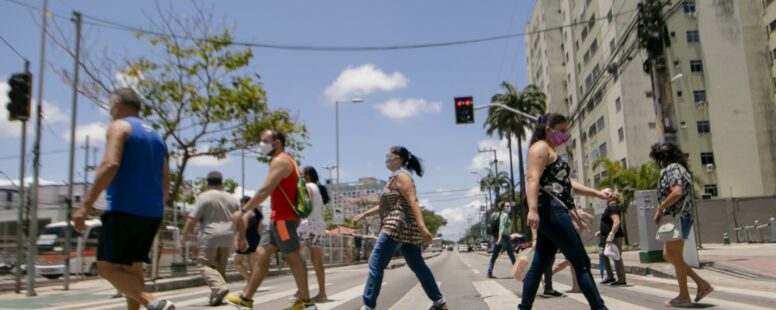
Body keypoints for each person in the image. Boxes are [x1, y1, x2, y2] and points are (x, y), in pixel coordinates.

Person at [73, 88, 175, 310]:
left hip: (124, 208)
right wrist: (160, 204)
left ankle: (153, 302)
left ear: (116, 104)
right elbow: (166, 175)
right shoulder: (157, 136)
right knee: (132, 269)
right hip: (152, 212)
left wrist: (85, 206)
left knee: (107, 268)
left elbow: (110, 164)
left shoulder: (120, 126)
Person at [519, 113, 610, 310]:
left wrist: (597, 193)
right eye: (561, 131)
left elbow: (567, 184)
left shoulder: (550, 151)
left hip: (552, 212)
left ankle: (523, 308)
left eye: (566, 132)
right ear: (548, 130)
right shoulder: (540, 148)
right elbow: (533, 180)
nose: (565, 136)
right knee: (582, 263)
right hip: (551, 211)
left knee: (539, 264)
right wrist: (532, 210)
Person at [225, 130, 316, 310]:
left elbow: (265, 190)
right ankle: (246, 299)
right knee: (261, 255)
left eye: (265, 141)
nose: (261, 145)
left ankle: (306, 303)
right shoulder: (283, 160)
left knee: (294, 258)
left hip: (283, 220)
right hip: (276, 220)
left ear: (277, 142)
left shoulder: (281, 161)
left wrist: (243, 210)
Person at [352, 147, 447, 310]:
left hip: (396, 226)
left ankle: (368, 306)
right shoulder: (393, 178)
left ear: (398, 158)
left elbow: (413, 201)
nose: (386, 158)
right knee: (418, 266)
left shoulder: (402, 176)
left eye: (389, 155)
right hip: (407, 231)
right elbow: (382, 206)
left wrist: (422, 226)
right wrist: (363, 215)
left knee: (375, 262)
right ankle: (439, 302)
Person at [650, 143, 714, 307]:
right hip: (678, 218)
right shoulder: (678, 168)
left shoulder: (673, 168)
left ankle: (687, 294)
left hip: (677, 218)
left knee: (674, 256)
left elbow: (677, 192)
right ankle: (699, 285)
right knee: (670, 255)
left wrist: (660, 207)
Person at [180, 171, 240, 306]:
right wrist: (241, 237)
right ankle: (217, 295)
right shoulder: (232, 198)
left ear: (207, 184)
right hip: (228, 237)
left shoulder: (204, 197)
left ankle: (219, 289)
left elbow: (193, 219)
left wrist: (184, 235)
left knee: (204, 264)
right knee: (220, 269)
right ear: (222, 183)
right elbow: (240, 219)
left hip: (210, 236)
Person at [291, 166, 330, 302]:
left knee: (294, 257)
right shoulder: (318, 188)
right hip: (319, 226)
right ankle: (322, 293)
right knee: (317, 261)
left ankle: (301, 291)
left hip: (307, 225)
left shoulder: (307, 187)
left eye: (304, 175)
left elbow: (304, 207)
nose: (302, 177)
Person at [596, 191, 626, 286]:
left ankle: (621, 279)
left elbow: (616, 221)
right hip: (605, 236)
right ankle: (610, 276)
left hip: (614, 237)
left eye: (607, 194)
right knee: (603, 255)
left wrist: (611, 234)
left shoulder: (612, 206)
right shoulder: (609, 206)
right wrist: (601, 231)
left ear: (611, 197)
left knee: (616, 256)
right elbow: (608, 222)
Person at [233, 196, 262, 282]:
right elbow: (260, 229)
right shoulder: (257, 213)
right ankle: (253, 283)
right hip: (256, 239)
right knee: (252, 264)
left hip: (246, 238)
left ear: (243, 203)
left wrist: (240, 238)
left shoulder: (245, 213)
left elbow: (244, 226)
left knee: (237, 262)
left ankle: (249, 280)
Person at [531, 227, 565, 298]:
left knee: (549, 262)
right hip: (544, 237)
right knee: (539, 266)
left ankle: (548, 288)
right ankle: (529, 293)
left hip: (548, 237)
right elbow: (533, 222)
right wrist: (535, 239)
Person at [486, 201, 516, 278]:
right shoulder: (504, 215)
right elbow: (501, 227)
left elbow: (504, 228)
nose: (509, 207)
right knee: (512, 255)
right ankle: (518, 272)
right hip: (503, 238)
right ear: (503, 207)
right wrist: (500, 239)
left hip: (500, 237)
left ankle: (489, 272)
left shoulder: (500, 214)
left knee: (494, 256)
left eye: (509, 206)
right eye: (507, 206)